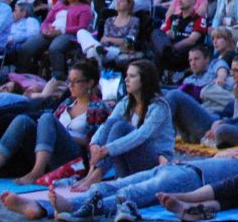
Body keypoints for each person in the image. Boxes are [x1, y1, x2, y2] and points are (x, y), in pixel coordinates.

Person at [29, 132, 238, 222]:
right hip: (181, 168)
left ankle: (71, 208)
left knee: (136, 193)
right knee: (117, 184)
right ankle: (45, 207)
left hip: (192, 180)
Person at [0, 60, 109, 185]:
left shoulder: (99, 108)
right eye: (69, 81)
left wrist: (62, 135)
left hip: (75, 157)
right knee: (23, 120)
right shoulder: (66, 104)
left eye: (76, 81)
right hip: (49, 152)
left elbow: (95, 144)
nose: (70, 85)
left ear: (89, 83)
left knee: (47, 117)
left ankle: (36, 172)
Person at [73, 59, 175, 190]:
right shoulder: (126, 102)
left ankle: (96, 175)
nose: (126, 80)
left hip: (156, 162)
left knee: (120, 127)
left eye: (132, 76)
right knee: (114, 122)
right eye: (127, 75)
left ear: (145, 80)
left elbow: (141, 135)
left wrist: (107, 149)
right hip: (129, 164)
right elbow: (107, 124)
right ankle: (92, 174)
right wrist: (95, 144)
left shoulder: (159, 106)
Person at [165, 54, 238, 147]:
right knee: (171, 94)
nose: (232, 74)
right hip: (223, 118)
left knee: (222, 130)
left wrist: (223, 124)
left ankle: (205, 139)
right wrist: (223, 121)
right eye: (232, 70)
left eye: (236, 70)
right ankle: (193, 137)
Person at [16, 0, 93, 76]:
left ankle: (58, 77)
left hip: (69, 34)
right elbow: (46, 21)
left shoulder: (84, 8)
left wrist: (61, 31)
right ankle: (22, 74)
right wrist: (44, 30)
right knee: (26, 47)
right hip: (51, 31)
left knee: (55, 48)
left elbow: (82, 27)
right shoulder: (59, 5)